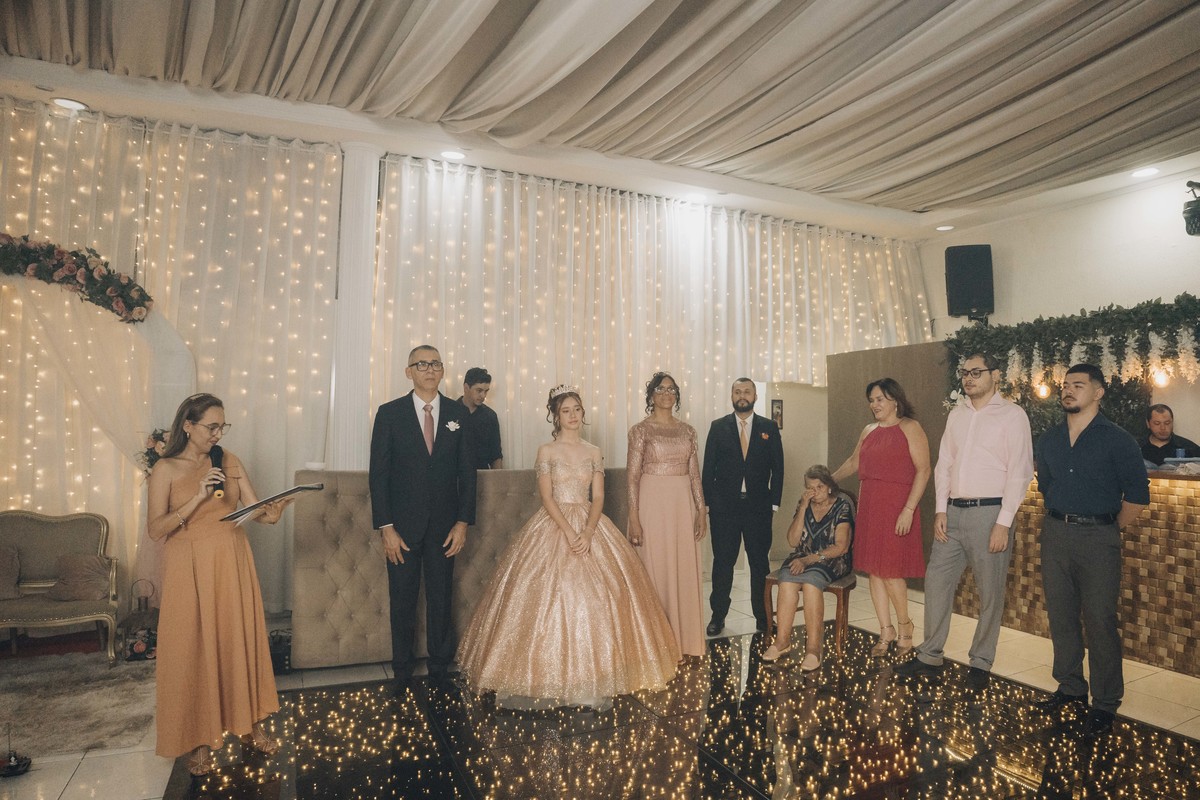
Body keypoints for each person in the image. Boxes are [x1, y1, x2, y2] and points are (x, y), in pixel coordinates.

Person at [457, 385, 679, 707]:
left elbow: (598, 497)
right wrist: (568, 531)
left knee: (605, 595)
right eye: (566, 411)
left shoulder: (593, 451)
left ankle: (596, 675)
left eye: (577, 409)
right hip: (555, 522)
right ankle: (546, 676)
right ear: (556, 416)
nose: (573, 415)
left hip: (590, 524)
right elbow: (547, 497)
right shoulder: (547, 451)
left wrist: (587, 532)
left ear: (582, 413)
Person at [147, 393, 292, 776]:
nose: (218, 434)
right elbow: (155, 529)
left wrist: (274, 512)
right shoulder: (165, 468)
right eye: (211, 426)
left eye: (222, 426)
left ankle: (250, 725)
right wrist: (196, 498)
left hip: (232, 561)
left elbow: (256, 511)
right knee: (193, 649)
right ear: (188, 426)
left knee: (237, 640)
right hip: (189, 567)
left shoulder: (229, 460)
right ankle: (198, 740)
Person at [895, 354, 1033, 690]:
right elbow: (944, 465)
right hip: (953, 514)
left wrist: (1003, 522)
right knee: (937, 583)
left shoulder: (1013, 415)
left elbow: (1020, 471)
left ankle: (981, 662)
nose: (968, 378)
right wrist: (941, 510)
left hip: (990, 514)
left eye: (976, 372)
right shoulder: (957, 415)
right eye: (964, 373)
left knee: (990, 592)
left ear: (995, 375)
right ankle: (930, 655)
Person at [1033, 363, 1149, 736]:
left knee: (1100, 620)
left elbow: (1137, 497)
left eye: (1078, 385)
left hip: (1099, 537)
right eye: (1065, 385)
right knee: (1061, 616)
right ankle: (1070, 687)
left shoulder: (1118, 440)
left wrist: (1108, 527)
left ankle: (1105, 703)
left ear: (1098, 393)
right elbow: (1046, 485)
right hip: (1056, 533)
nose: (1068, 390)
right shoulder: (1049, 439)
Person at [369, 345, 477, 690]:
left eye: (435, 364)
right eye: (422, 364)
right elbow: (379, 475)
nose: (429, 370)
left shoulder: (458, 414)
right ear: (409, 372)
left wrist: (463, 522)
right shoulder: (389, 414)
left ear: (442, 371)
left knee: (441, 600)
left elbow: (467, 473)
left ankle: (440, 671)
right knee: (402, 600)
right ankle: (401, 672)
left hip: (446, 527)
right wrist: (386, 527)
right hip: (401, 528)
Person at [832, 378, 930, 656]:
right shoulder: (868, 430)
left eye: (879, 399)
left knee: (891, 572)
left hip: (898, 507)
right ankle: (885, 630)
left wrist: (908, 510)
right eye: (871, 400)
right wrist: (829, 481)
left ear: (895, 400)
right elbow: (854, 462)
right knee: (875, 571)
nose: (874, 405)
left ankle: (905, 625)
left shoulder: (911, 427)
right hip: (871, 507)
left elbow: (923, 470)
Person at [627, 372, 707, 657]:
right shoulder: (641, 431)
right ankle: (656, 646)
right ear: (651, 395)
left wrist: (701, 510)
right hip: (652, 504)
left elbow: (695, 476)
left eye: (671, 389)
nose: (666, 394)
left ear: (677, 396)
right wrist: (634, 517)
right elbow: (632, 477)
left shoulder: (688, 431)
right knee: (655, 568)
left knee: (682, 568)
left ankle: (685, 642)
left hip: (682, 505)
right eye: (660, 389)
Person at [702, 378, 784, 635]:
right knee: (723, 563)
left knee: (759, 564)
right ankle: (718, 616)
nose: (742, 395)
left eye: (747, 391)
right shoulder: (718, 427)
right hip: (724, 510)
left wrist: (774, 503)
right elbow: (708, 469)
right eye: (737, 392)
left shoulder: (769, 427)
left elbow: (778, 468)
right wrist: (708, 503)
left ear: (755, 396)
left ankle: (763, 617)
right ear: (731, 396)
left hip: (758, 509)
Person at [762, 465, 853, 671]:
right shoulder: (804, 504)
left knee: (811, 585)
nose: (815, 492)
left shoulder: (842, 506)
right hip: (801, 557)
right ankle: (782, 641)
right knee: (787, 583)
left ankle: (813, 649)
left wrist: (809, 560)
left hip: (831, 559)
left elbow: (841, 547)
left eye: (819, 487)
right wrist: (803, 508)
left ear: (829, 486)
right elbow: (793, 541)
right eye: (810, 488)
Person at [458, 366, 504, 469]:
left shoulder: (490, 416)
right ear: (466, 387)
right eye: (479, 390)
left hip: (482, 475)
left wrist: (497, 477)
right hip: (455, 476)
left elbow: (496, 455)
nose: (483, 395)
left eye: (486, 391)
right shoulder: (450, 412)